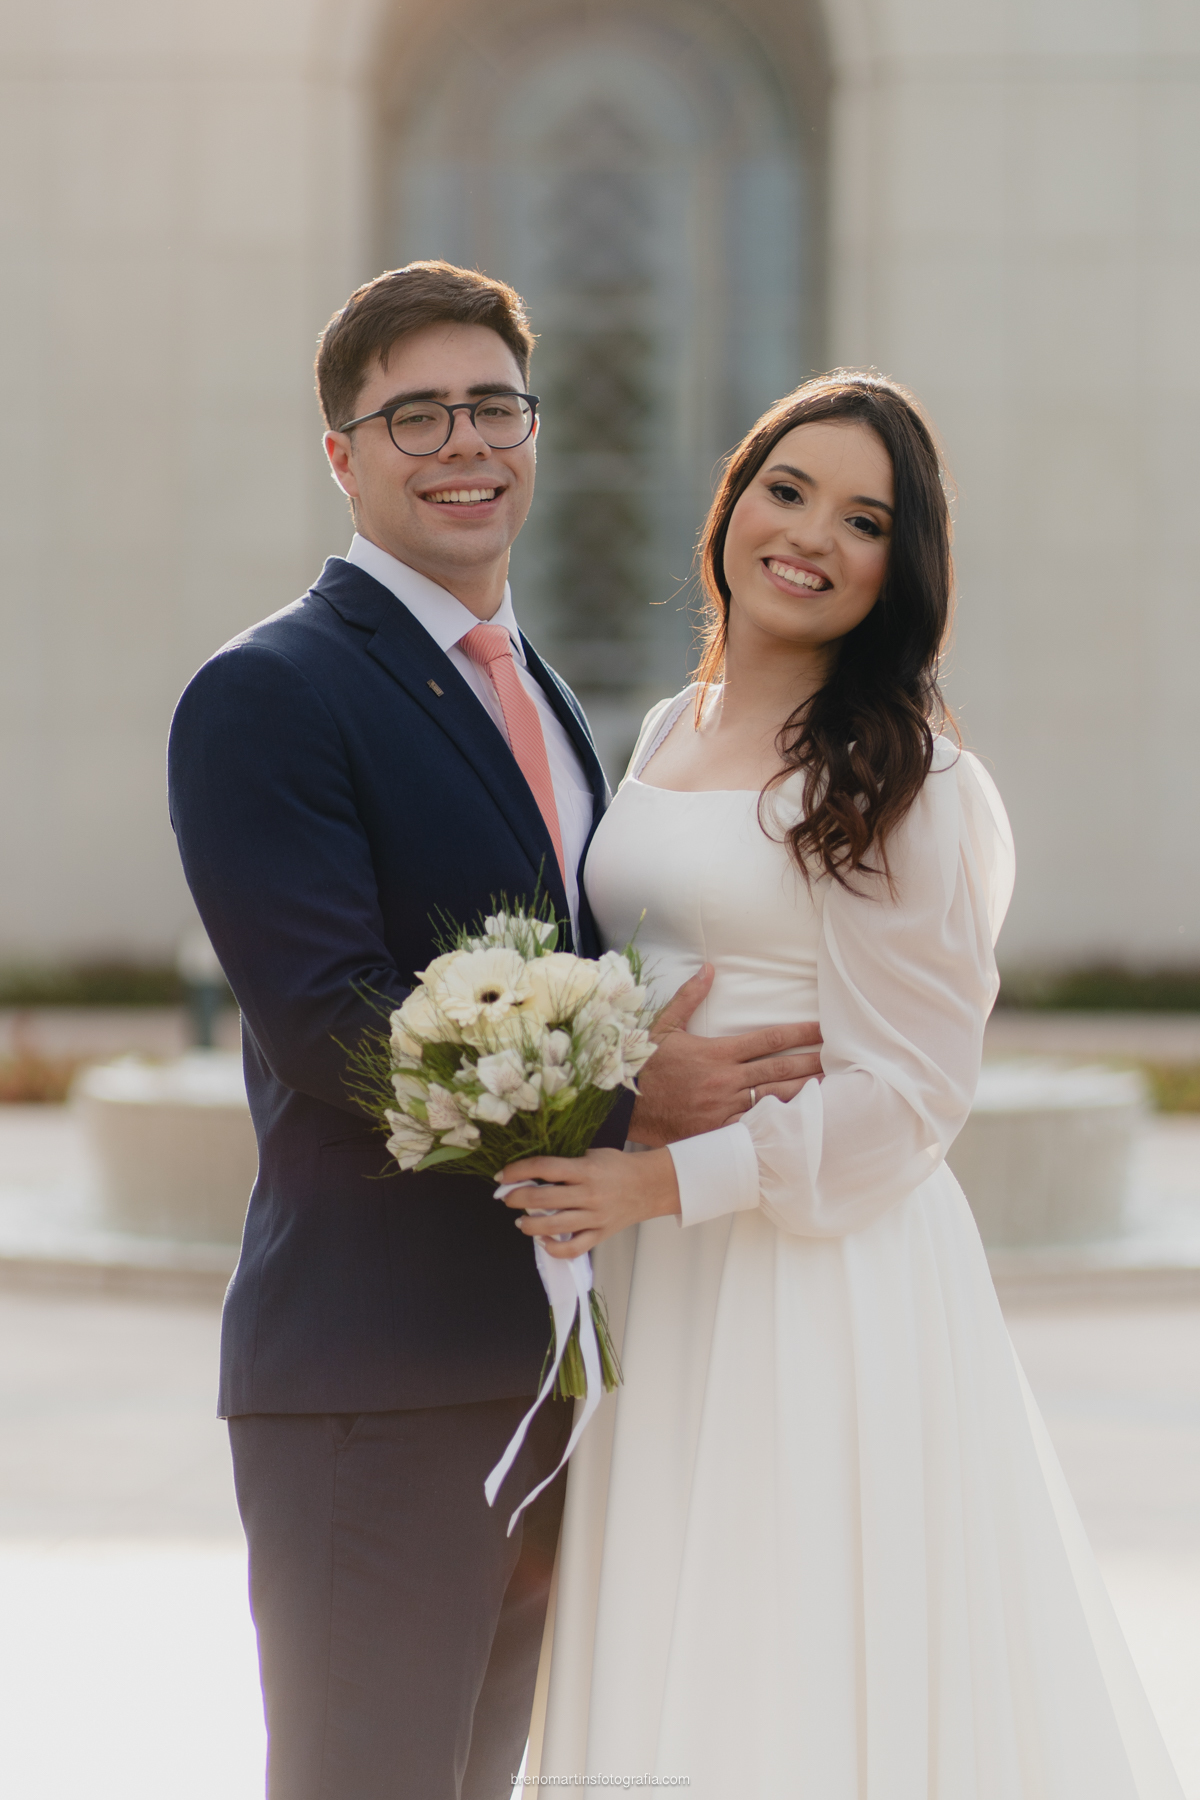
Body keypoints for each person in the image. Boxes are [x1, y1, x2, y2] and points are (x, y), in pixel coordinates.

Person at [166, 260, 822, 1800]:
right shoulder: (267, 693)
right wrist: (627, 1108)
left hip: (552, 1362)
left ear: (534, 428)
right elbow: (333, 1024)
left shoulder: (540, 688)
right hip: (373, 1372)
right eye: (415, 416)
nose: (464, 444)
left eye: (494, 407)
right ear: (342, 453)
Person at [502, 373, 1185, 1797]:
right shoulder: (662, 734)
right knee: (664, 1628)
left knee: (785, 1636)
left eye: (865, 519)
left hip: (814, 1268)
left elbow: (914, 1100)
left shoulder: (909, 782)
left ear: (900, 569)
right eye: (788, 487)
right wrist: (595, 1080)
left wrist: (658, 1176)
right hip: (656, 1271)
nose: (810, 534)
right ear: (734, 502)